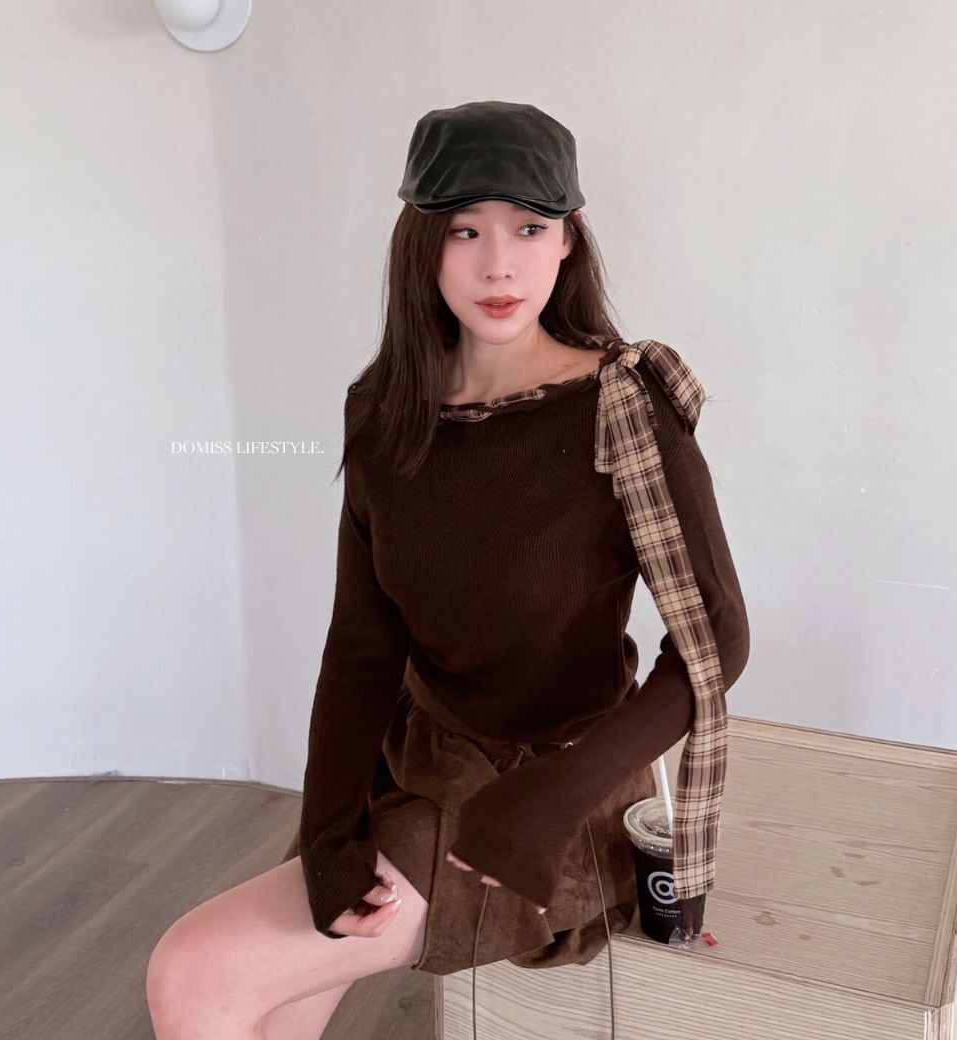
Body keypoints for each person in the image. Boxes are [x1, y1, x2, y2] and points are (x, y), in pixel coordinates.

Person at [146, 100, 750, 1040]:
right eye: (465, 230)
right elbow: (362, 648)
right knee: (271, 1001)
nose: (498, 265)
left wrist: (552, 800)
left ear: (569, 240)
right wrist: (327, 834)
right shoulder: (385, 411)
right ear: (421, 246)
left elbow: (715, 643)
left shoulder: (621, 407)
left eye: (528, 228)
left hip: (550, 800)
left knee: (195, 972)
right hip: (419, 767)